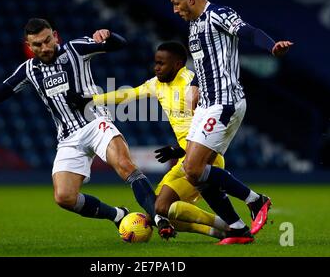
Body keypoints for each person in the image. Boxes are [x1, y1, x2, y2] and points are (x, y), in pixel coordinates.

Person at [0, 18, 176, 239]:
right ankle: (118, 215)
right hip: (68, 137)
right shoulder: (29, 70)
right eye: (37, 44)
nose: (44, 48)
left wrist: (108, 35)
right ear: (29, 46)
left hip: (96, 122)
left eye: (47, 41)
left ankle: (159, 217)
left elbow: (120, 45)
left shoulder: (76, 49)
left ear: (55, 36)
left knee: (125, 165)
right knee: (64, 197)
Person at [168, 0, 293, 244]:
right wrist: (196, 85)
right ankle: (237, 228)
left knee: (192, 168)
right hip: (206, 105)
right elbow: (205, 62)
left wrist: (271, 46)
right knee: (199, 173)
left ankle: (256, 200)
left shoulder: (218, 14)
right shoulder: (193, 26)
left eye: (178, 4)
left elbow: (248, 31)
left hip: (225, 103)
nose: (175, 10)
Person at [78, 41, 230, 239]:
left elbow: (209, 128)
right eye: (155, 62)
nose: (156, 67)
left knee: (163, 207)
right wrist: (93, 100)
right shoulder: (156, 84)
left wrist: (181, 149)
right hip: (185, 158)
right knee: (158, 210)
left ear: (177, 65)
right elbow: (128, 94)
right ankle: (218, 230)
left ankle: (228, 226)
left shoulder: (191, 84)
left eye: (161, 63)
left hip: (203, 159)